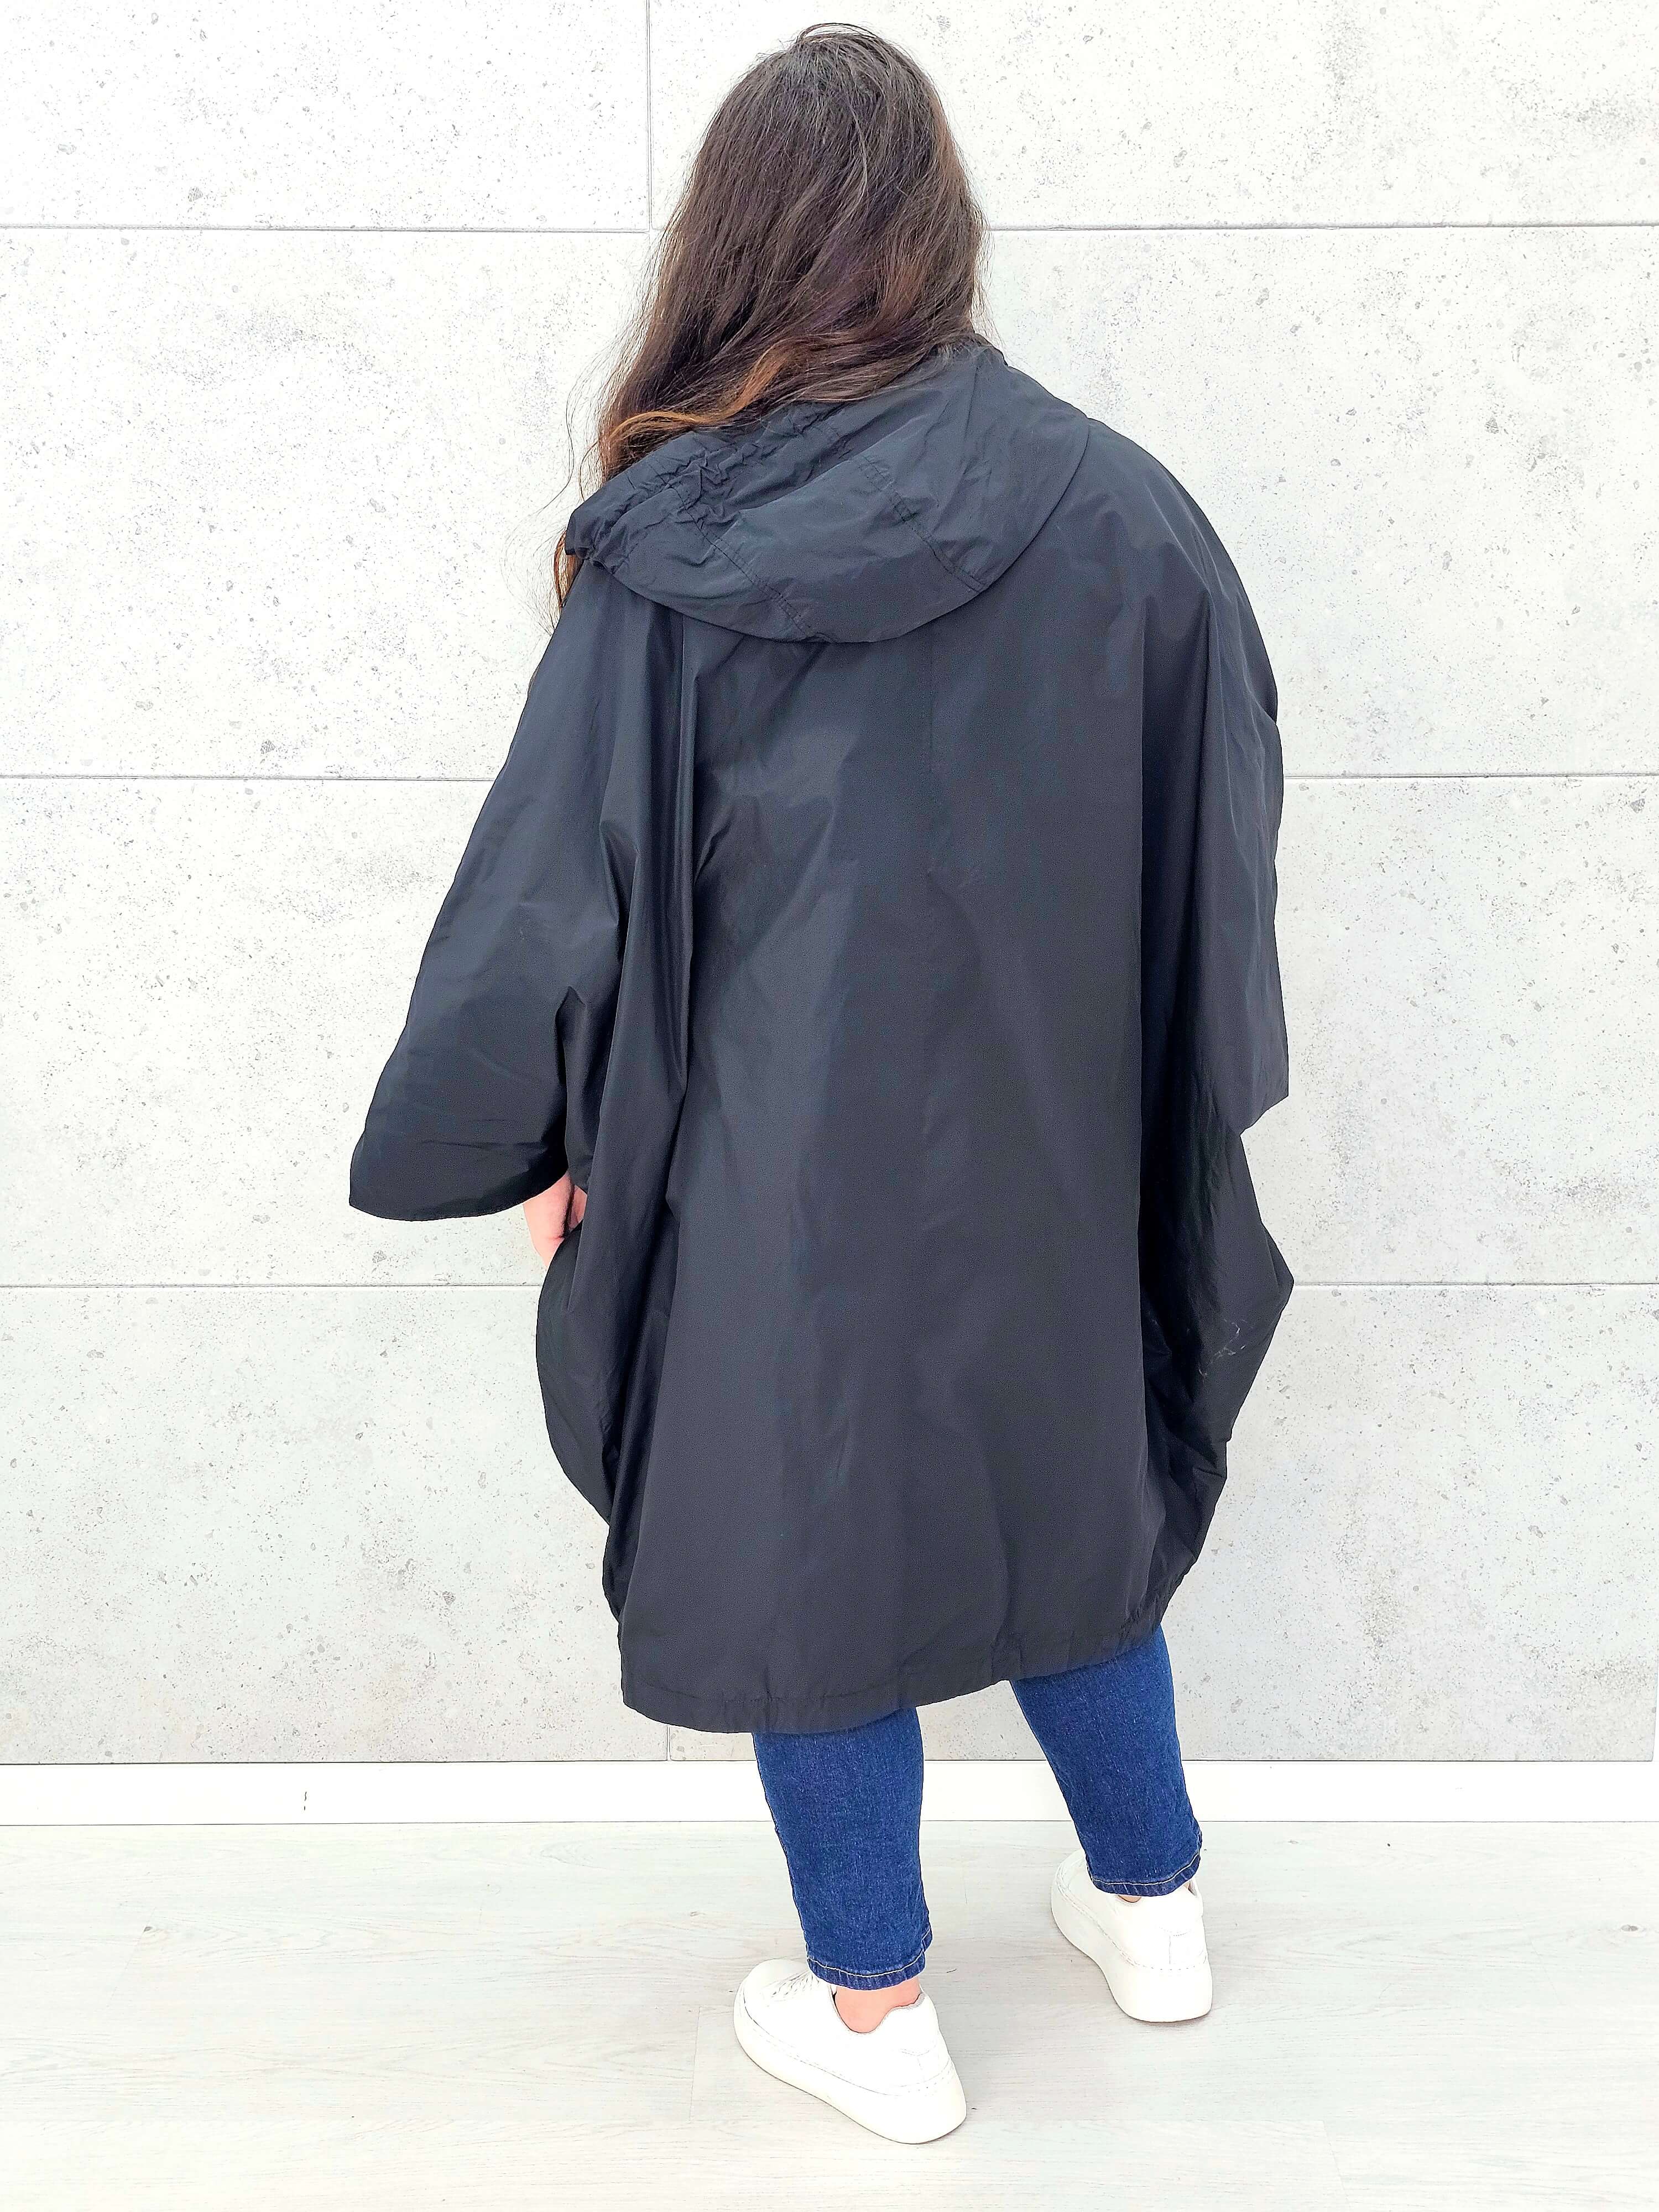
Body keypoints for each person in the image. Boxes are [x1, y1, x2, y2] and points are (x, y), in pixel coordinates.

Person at [351, 24, 1290, 2144]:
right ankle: (1154, 1909)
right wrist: (1152, 1103)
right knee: (1071, 1503)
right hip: (1054, 1142)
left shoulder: (672, 547)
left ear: (735, 239)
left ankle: (875, 2013)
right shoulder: (1127, 512)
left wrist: (531, 1135)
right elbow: (1220, 829)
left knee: (803, 1540)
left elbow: (554, 883)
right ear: (940, 228)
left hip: (766, 1164)